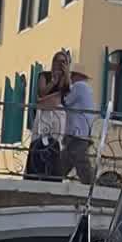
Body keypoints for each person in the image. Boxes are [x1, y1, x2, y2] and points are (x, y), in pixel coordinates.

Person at [26, 50, 71, 179]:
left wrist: (66, 75)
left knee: (56, 142)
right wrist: (53, 81)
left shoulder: (66, 78)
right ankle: (34, 171)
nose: (60, 64)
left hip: (58, 114)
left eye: (64, 61)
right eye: (58, 61)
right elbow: (41, 93)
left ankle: (52, 172)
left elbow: (67, 93)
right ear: (53, 61)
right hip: (44, 112)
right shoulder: (44, 75)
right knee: (39, 139)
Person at [61, 61, 96, 184]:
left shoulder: (79, 86)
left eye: (72, 75)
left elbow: (67, 101)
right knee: (68, 159)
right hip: (83, 130)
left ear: (77, 76)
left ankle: (90, 185)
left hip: (77, 131)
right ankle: (53, 179)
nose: (71, 78)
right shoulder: (87, 88)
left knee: (80, 161)